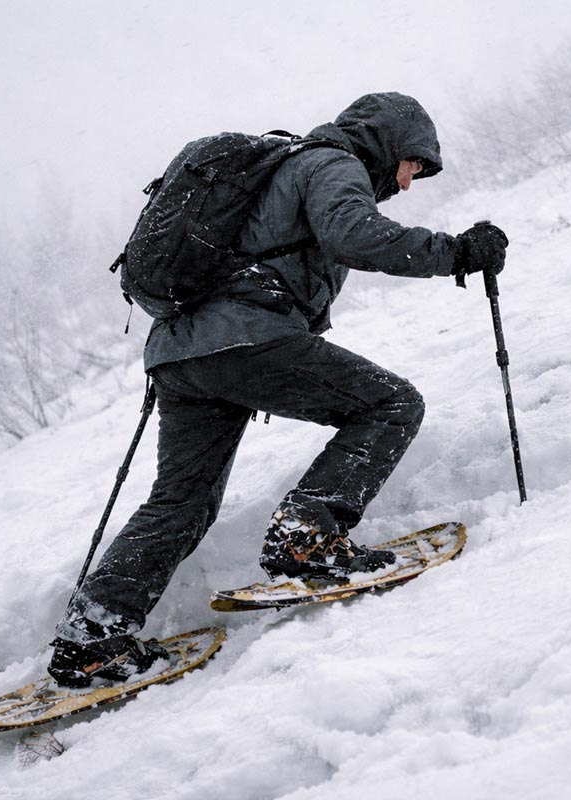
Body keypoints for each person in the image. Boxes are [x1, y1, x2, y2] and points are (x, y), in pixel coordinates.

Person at [47, 92, 508, 688]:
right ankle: (308, 539)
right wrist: (456, 253)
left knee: (181, 500)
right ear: (390, 144)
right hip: (246, 339)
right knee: (390, 405)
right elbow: (356, 236)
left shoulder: (286, 167)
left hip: (180, 354)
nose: (409, 182)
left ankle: (92, 640)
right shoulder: (331, 164)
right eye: (412, 166)